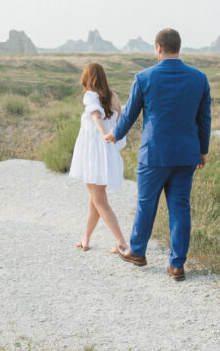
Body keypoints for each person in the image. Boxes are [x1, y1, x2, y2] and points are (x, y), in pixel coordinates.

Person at [105, 28, 210, 281]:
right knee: (180, 207)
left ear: (158, 48)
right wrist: (202, 151)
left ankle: (138, 252)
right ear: (179, 47)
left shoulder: (144, 77)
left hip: (154, 155)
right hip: (186, 155)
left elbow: (129, 114)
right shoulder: (199, 78)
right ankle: (177, 266)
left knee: (146, 203)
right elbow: (204, 118)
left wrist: (115, 135)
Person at [69, 62, 130, 255]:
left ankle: (122, 243)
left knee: (99, 200)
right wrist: (113, 145)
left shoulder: (90, 96)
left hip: (94, 154)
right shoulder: (113, 97)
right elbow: (120, 124)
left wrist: (104, 134)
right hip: (106, 153)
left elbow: (96, 116)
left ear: (88, 78)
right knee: (95, 199)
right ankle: (86, 239)